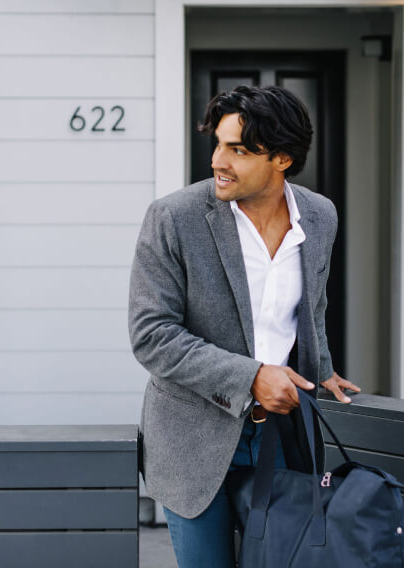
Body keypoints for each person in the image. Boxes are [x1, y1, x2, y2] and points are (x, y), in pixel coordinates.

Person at [128, 85, 360, 567]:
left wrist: (323, 370)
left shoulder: (320, 217)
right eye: (218, 144)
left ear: (282, 159)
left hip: (282, 435)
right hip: (193, 438)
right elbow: (152, 335)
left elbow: (311, 308)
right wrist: (252, 377)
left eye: (237, 149)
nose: (218, 160)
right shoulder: (174, 218)